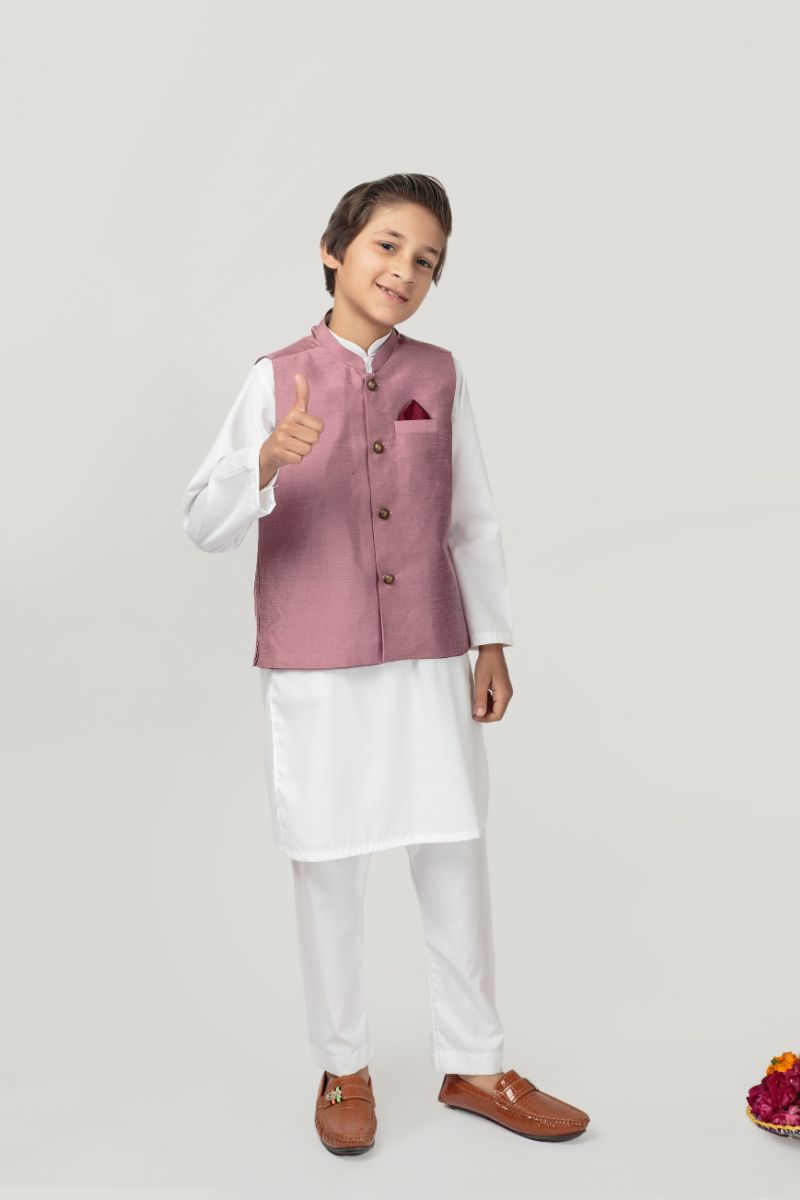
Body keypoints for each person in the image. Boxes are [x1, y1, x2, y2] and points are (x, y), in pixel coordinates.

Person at [181, 173, 590, 1155]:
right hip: (315, 658)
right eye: (387, 246)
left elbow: (472, 515)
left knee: (452, 846)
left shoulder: (439, 377)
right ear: (334, 250)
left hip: (426, 648)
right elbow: (201, 522)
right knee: (328, 859)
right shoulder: (275, 377)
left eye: (427, 261)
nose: (405, 270)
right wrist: (263, 461)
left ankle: (476, 1064)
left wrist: (492, 640)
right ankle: (343, 1066)